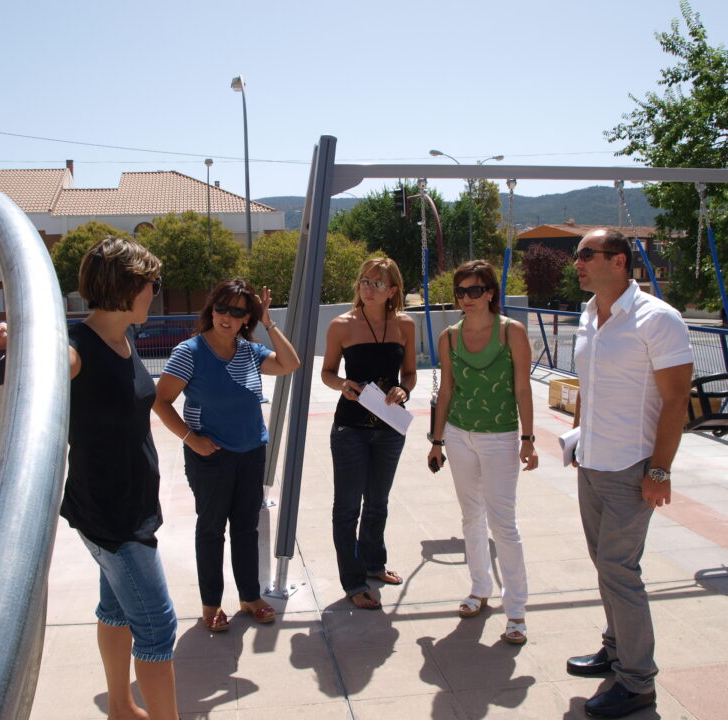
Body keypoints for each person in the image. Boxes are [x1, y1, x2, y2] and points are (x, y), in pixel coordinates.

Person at [0, 235, 179, 720]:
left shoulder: (123, 339)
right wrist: (15, 344)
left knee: (116, 611)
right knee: (157, 629)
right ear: (126, 286)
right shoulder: (74, 350)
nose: (155, 292)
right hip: (112, 518)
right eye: (153, 284)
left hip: (129, 506)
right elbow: (40, 366)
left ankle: (120, 707)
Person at [566, 228, 693, 719]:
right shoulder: (588, 315)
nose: (577, 262)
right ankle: (616, 649)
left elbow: (676, 399)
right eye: (576, 254)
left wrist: (660, 470)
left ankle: (638, 682)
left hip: (631, 466)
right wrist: (577, 439)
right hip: (592, 461)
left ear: (618, 260)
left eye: (586, 254)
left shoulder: (657, 319)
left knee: (620, 571)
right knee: (605, 565)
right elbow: (589, 386)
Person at [153, 279, 300, 632]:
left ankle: (250, 597)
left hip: (251, 452)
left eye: (237, 312)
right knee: (211, 529)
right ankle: (211, 604)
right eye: (222, 307)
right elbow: (160, 401)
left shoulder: (249, 351)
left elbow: (289, 363)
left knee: (247, 528)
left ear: (247, 318)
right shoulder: (190, 352)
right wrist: (191, 439)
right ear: (212, 308)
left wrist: (269, 323)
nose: (227, 317)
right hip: (211, 457)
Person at [426, 260, 537, 644]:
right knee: (471, 517)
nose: (466, 298)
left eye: (474, 290)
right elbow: (446, 390)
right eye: (460, 291)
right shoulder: (449, 337)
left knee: (503, 524)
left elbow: (522, 388)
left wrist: (528, 438)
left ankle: (516, 609)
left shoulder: (511, 332)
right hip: (459, 435)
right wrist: (437, 441)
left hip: (500, 436)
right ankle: (479, 588)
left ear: (490, 292)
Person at [321, 258, 416, 610]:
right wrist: (342, 384)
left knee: (378, 502)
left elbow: (410, 373)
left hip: (390, 427)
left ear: (392, 290)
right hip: (350, 428)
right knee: (347, 508)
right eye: (364, 280)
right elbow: (327, 372)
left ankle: (374, 565)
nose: (368, 288)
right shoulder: (341, 325)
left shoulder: (405, 324)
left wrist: (404, 390)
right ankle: (354, 581)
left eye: (377, 283)